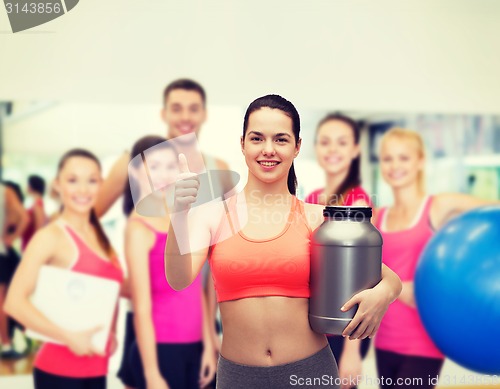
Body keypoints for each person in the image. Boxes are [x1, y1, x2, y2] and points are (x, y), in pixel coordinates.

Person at [165, 94, 402, 388]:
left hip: (310, 372)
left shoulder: (316, 218)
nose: (268, 150)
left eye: (280, 139)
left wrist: (383, 295)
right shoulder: (214, 216)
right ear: (242, 144)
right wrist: (179, 214)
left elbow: (388, 278)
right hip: (238, 377)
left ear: (297, 146)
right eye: (256, 138)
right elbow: (178, 278)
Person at [98, 79, 226, 389]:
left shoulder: (216, 168)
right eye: (177, 108)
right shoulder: (133, 161)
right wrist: (115, 276)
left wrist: (212, 336)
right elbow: (86, 220)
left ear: (205, 114)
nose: (185, 116)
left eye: (193, 108)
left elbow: (217, 255)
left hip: (197, 312)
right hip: (153, 315)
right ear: (163, 112)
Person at [373, 128, 498, 389]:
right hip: (384, 339)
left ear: (420, 161)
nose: (395, 166)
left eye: (404, 158)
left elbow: (493, 210)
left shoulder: (439, 205)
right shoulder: (378, 217)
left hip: (424, 341)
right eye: (388, 158)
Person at [4, 149, 124, 389]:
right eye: (72, 180)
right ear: (57, 185)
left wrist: (111, 334)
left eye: (91, 180)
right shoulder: (50, 237)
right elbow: (14, 303)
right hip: (59, 372)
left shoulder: (99, 235)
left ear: (101, 184)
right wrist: (69, 337)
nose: (83, 190)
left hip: (95, 367)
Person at [124, 135, 216, 389]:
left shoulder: (182, 217)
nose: (163, 174)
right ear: (136, 172)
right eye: (153, 167)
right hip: (162, 350)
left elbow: (195, 288)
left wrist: (208, 346)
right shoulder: (139, 228)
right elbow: (141, 307)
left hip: (195, 347)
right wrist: (152, 373)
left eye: (169, 166)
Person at [305, 113, 372, 388]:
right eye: (325, 142)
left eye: (342, 142)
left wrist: (352, 352)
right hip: (315, 329)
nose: (332, 149)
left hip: (345, 333)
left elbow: (365, 279)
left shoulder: (359, 202)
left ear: (355, 149)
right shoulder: (311, 199)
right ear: (316, 148)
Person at [0, 182, 28, 359]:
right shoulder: (6, 191)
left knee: (4, 300)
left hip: (3, 253)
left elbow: (24, 218)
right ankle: (9, 341)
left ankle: (7, 343)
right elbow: (23, 218)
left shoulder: (5, 190)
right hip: (4, 252)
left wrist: (10, 237)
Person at [22, 174, 48, 250]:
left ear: (31, 186)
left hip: (32, 244)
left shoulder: (38, 204)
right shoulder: (36, 203)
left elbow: (39, 228)